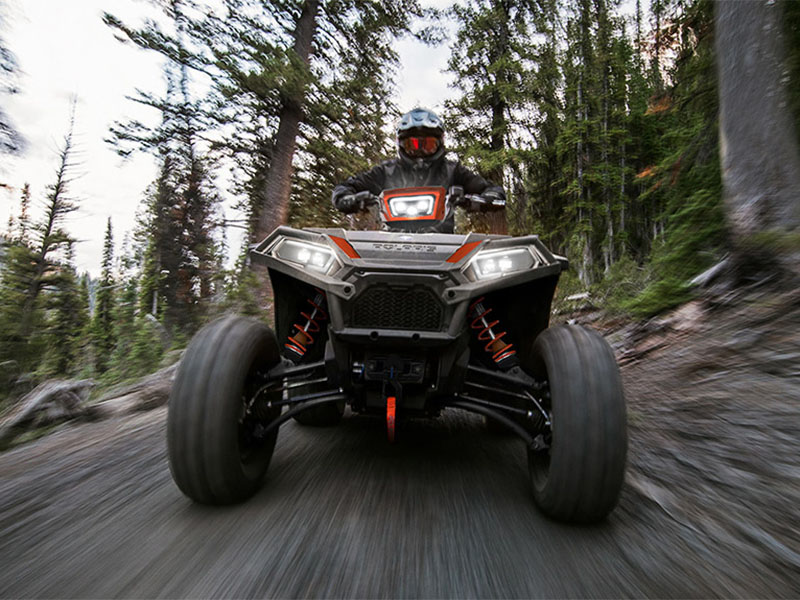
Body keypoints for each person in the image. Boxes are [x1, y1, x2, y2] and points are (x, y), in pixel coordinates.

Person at [331, 108, 506, 231]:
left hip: (446, 245)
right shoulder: (386, 171)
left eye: (427, 144)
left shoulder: (453, 171)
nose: (420, 150)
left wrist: (473, 201)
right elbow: (344, 188)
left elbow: (495, 192)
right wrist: (349, 199)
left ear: (439, 143)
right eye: (413, 144)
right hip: (389, 244)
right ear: (401, 145)